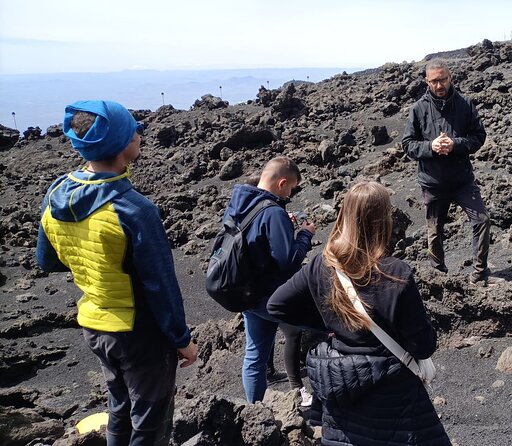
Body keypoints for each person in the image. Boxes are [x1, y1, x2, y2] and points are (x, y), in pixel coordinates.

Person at [35, 100, 198, 445]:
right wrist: (182, 341)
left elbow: (48, 261)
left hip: (94, 326)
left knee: (119, 409)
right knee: (150, 424)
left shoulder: (56, 195)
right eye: (134, 130)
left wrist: (93, 262)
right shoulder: (134, 210)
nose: (140, 134)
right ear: (124, 145)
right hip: (138, 334)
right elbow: (161, 287)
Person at [268, 181, 451, 445]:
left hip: (340, 386)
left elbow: (277, 305)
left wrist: (330, 323)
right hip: (394, 400)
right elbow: (422, 347)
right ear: (383, 220)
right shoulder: (395, 273)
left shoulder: (322, 264)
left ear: (344, 215)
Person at [223, 156, 316, 404]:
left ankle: (256, 410)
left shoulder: (239, 201)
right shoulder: (273, 211)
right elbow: (288, 261)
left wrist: (285, 226)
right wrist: (305, 235)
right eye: (292, 188)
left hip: (245, 292)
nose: (291, 194)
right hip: (270, 295)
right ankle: (304, 391)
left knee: (254, 356)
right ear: (282, 183)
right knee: (309, 329)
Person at [402, 57, 501, 286]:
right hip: (433, 182)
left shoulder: (465, 104)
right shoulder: (418, 110)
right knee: (434, 231)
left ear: (451, 77)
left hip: (462, 180)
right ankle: (439, 276)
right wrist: (431, 147)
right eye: (434, 81)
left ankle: (479, 273)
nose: (439, 85)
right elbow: (407, 144)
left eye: (443, 79)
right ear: (427, 82)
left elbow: (479, 137)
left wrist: (455, 144)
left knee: (482, 220)